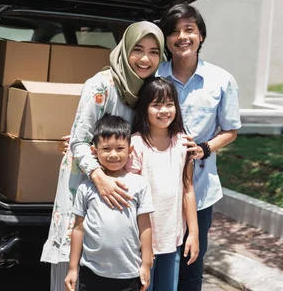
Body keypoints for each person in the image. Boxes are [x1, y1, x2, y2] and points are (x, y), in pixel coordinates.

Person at [41, 21, 166, 291]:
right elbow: (80, 140)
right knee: (73, 264)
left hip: (122, 187)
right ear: (124, 49)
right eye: (138, 49)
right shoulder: (101, 85)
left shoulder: (146, 89)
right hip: (87, 181)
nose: (146, 59)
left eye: (154, 51)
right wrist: (99, 178)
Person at [157, 3, 241, 291]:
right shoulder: (153, 76)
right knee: (154, 261)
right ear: (166, 40)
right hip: (155, 189)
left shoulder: (221, 80)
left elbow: (231, 130)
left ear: (201, 35)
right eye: (174, 32)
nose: (182, 37)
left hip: (201, 188)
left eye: (189, 30)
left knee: (192, 264)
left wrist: (205, 147)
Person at [64, 114, 154, 291]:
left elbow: (145, 226)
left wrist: (146, 264)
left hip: (129, 274)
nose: (113, 154)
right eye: (106, 148)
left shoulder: (139, 184)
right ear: (94, 151)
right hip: (92, 274)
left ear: (130, 150)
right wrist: (73, 269)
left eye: (120, 148)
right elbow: (78, 228)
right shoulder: (86, 187)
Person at [128, 77, 200, 291]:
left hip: (172, 238)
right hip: (141, 241)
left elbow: (188, 190)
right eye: (156, 105)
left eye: (169, 104)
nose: (164, 110)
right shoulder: (136, 145)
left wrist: (193, 234)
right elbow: (132, 198)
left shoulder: (184, 144)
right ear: (144, 108)